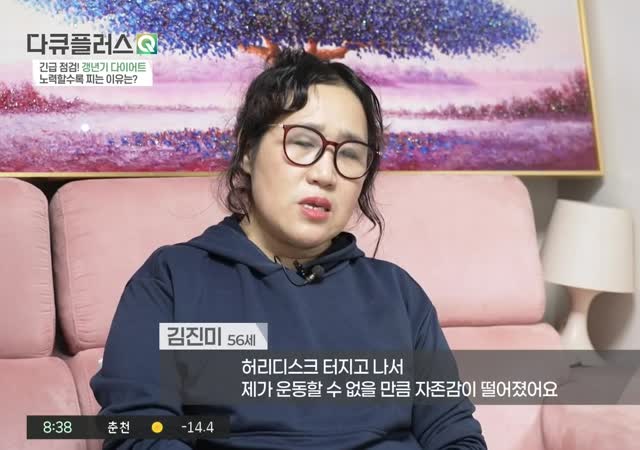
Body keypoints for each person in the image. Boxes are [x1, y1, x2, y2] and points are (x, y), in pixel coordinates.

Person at [90, 48, 487, 449]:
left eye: (350, 154)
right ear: (248, 150)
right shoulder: (172, 281)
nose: (325, 174)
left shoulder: (398, 295)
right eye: (302, 142)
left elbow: (456, 435)